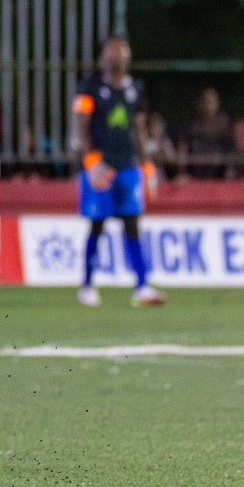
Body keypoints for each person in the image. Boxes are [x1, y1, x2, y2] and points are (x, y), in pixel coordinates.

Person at [72, 36, 165, 307]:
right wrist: (90, 161)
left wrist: (147, 165)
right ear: (103, 56)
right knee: (97, 224)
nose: (117, 56)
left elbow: (139, 128)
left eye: (122, 50)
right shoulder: (89, 86)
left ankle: (142, 285)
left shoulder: (135, 89)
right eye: (112, 51)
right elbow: (80, 126)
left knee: (132, 223)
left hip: (127, 167)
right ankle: (87, 284)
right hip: (101, 166)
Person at [184, 87, 232, 179]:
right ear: (199, 103)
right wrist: (182, 172)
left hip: (218, 172)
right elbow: (183, 147)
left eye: (212, 101)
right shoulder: (191, 122)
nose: (209, 105)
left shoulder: (224, 123)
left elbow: (230, 149)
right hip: (194, 171)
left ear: (218, 103)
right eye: (205, 101)